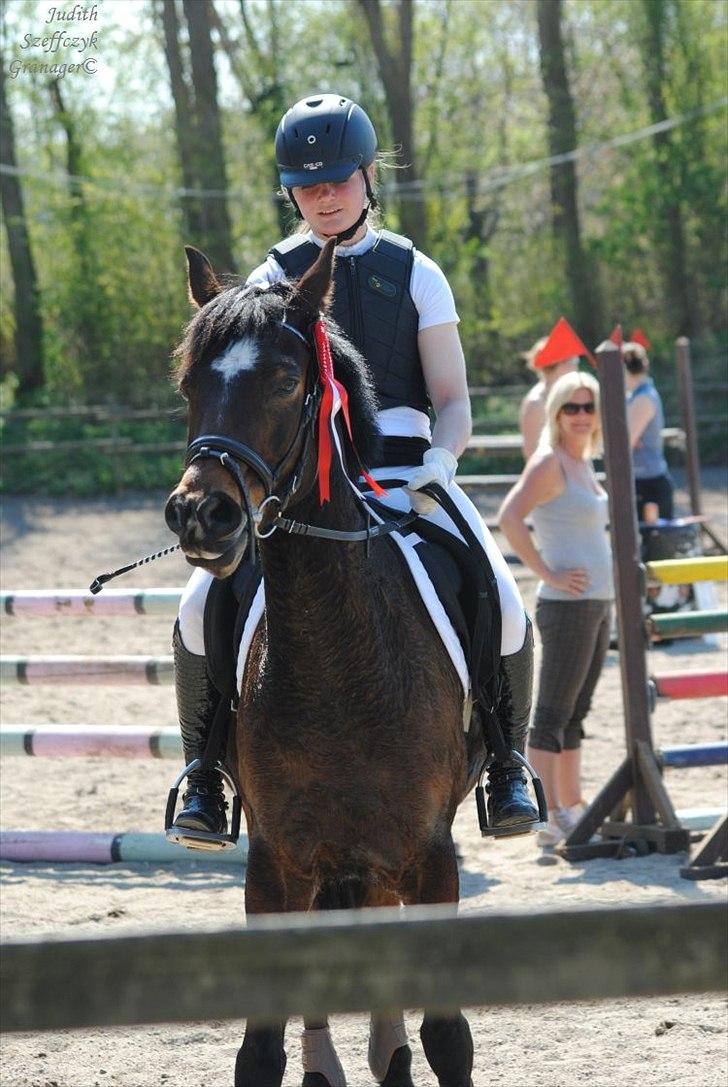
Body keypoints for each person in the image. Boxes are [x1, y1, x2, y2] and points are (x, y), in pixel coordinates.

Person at [169, 93, 540, 844]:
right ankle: (204, 774)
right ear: (291, 192)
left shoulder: (416, 271)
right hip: (306, 487)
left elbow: (454, 399)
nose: (325, 196)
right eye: (309, 186)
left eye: (338, 180)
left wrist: (443, 459)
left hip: (412, 474)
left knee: (503, 599)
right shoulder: (271, 277)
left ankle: (506, 761)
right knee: (193, 608)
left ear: (369, 176)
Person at [498, 371, 613, 846]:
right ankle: (544, 815)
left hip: (598, 602)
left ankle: (572, 803)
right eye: (572, 407)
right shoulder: (549, 463)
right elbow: (509, 517)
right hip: (567, 606)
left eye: (589, 407)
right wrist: (548, 574)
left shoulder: (584, 461)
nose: (582, 416)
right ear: (556, 413)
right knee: (553, 711)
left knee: (578, 712)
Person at [623, 341, 674, 521]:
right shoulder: (637, 395)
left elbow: (624, 442)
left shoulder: (643, 397)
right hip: (643, 481)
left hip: (648, 484)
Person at [519, 337, 578, 460]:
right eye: (572, 360)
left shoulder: (566, 396)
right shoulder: (536, 402)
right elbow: (531, 453)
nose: (576, 365)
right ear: (558, 363)